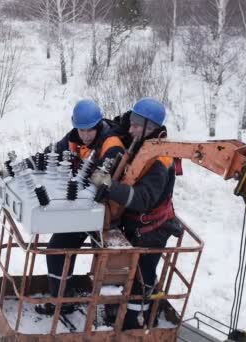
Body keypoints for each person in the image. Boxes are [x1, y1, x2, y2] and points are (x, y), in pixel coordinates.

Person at [90, 97, 177, 329]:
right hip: (136, 225)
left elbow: (142, 199)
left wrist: (109, 186)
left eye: (136, 124)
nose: (131, 128)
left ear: (151, 127)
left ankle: (135, 324)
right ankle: (119, 311)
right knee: (127, 271)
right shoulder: (142, 143)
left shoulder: (161, 159)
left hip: (152, 229)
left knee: (142, 276)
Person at [35, 99, 125, 316]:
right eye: (81, 129)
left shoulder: (111, 146)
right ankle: (62, 302)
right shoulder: (75, 138)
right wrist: (30, 163)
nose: (84, 135)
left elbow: (104, 180)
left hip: (108, 215)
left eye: (89, 130)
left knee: (112, 264)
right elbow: (53, 152)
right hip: (83, 210)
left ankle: (117, 312)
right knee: (57, 251)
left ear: (98, 125)